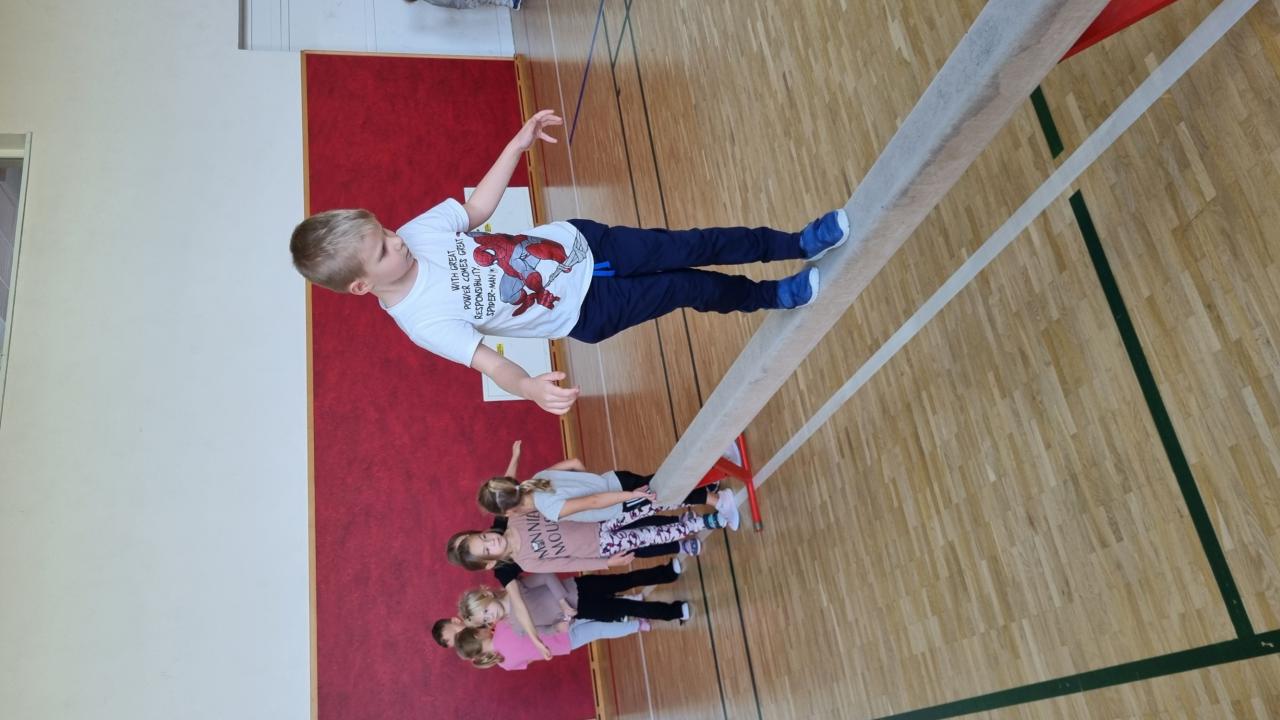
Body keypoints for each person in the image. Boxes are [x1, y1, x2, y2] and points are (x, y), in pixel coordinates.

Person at [289, 109, 850, 415]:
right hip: (587, 308)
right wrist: (529, 387)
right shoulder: (422, 321)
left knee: (693, 244)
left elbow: (477, 209)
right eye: (383, 249)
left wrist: (514, 146)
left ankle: (797, 242)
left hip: (583, 244)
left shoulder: (418, 233)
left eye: (386, 230)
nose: (397, 240)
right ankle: (772, 295)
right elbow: (492, 365)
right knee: (688, 288)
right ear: (361, 286)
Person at [455, 619, 644, 671]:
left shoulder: (504, 664)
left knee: (599, 630)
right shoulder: (503, 626)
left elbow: (529, 659)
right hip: (556, 623)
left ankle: (638, 625)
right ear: (477, 634)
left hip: (563, 645)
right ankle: (634, 603)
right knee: (596, 613)